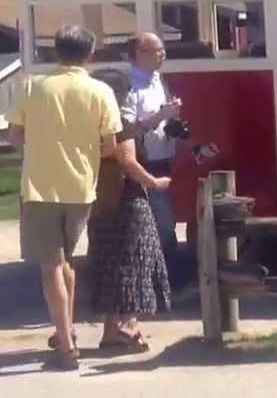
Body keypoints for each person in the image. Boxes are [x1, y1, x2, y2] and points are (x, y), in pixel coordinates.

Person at [6, 25, 122, 371]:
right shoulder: (100, 90)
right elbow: (110, 145)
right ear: (90, 53)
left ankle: (66, 344)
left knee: (50, 267)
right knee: (66, 261)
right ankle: (66, 330)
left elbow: (15, 137)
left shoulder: (33, 87)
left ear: (56, 50)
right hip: (82, 186)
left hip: (41, 186)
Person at [87, 68, 173, 353]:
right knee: (135, 261)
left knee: (108, 262)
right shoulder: (118, 120)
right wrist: (154, 182)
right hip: (127, 198)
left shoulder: (85, 122)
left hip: (98, 198)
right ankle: (128, 327)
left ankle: (112, 330)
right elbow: (127, 161)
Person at [121, 32, 186, 286]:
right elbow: (127, 130)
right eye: (156, 50)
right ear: (138, 55)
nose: (163, 54)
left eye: (163, 49)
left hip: (164, 159)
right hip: (143, 165)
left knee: (162, 225)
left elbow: (162, 120)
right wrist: (160, 117)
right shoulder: (129, 86)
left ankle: (162, 281)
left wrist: (172, 121)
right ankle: (164, 282)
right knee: (163, 226)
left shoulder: (159, 80)